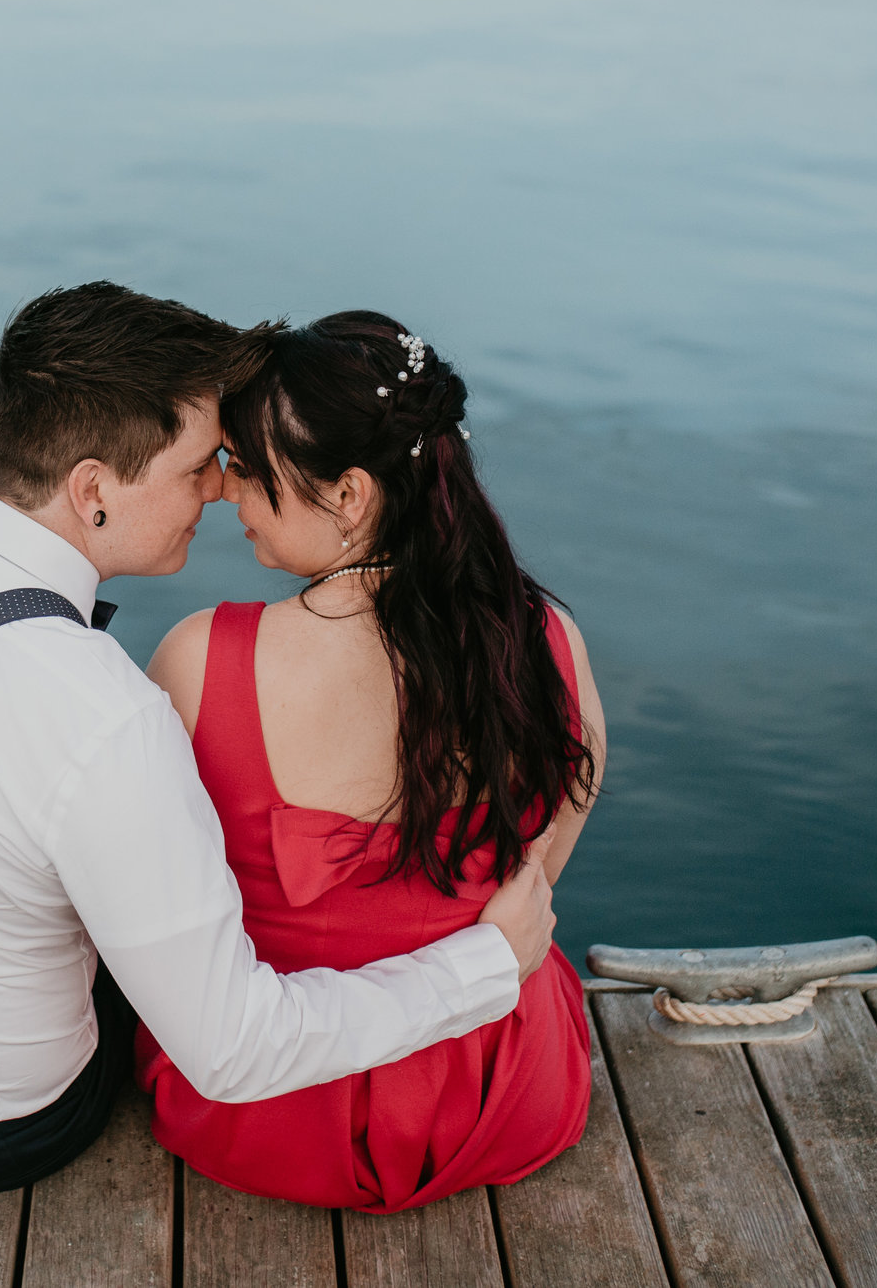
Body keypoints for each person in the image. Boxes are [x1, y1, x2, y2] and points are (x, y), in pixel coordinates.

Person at [0, 283, 561, 1194]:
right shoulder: (109, 711)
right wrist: (483, 965)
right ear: (93, 491)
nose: (220, 485)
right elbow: (233, 1051)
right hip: (1, 1132)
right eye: (200, 462)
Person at [136, 312, 606, 1213]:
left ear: (350, 494)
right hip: (501, 1085)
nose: (229, 493)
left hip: (272, 1107)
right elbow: (572, 799)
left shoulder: (202, 660)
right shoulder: (543, 637)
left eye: (250, 471)